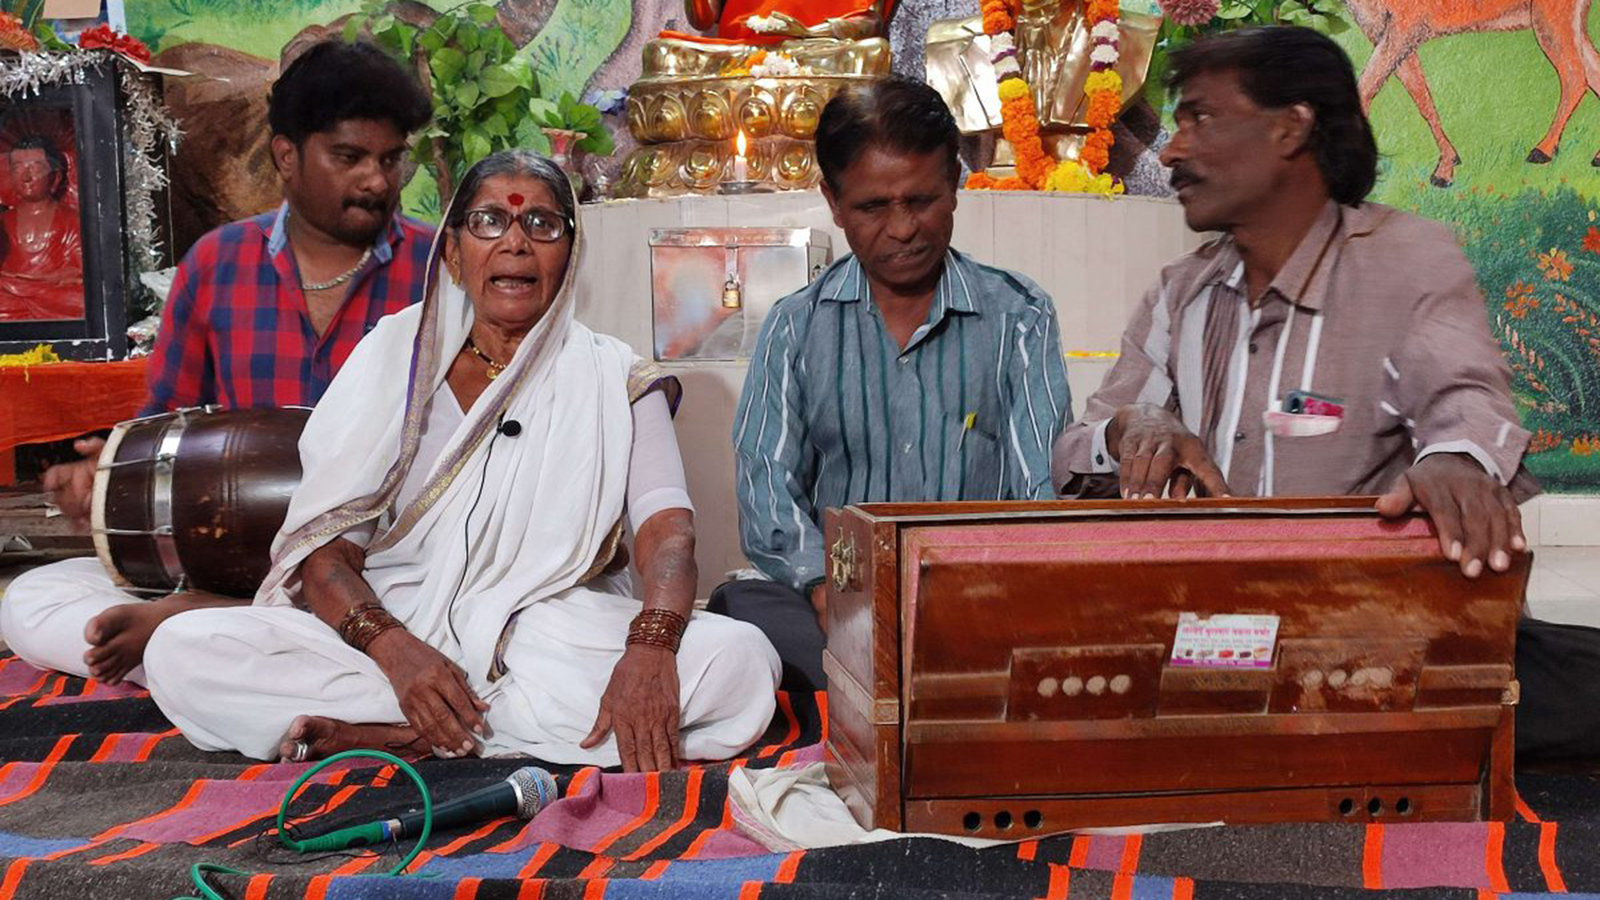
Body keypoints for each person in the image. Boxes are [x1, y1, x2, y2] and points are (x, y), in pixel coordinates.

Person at [1050, 25, 1591, 762]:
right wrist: (1127, 429)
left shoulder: (1405, 262)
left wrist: (1457, 464)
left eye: (1201, 118)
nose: (1171, 151)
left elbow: (1465, 401)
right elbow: (1073, 454)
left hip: (1374, 662)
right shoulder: (1181, 294)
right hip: (1213, 664)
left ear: (1289, 127)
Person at [142, 152, 781, 770]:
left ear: (570, 252)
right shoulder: (392, 359)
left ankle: (403, 732)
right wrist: (398, 654)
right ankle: (466, 720)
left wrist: (651, 646)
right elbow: (326, 553)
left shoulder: (613, 376)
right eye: (488, 222)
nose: (516, 243)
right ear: (452, 252)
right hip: (390, 629)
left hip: (545, 631)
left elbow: (667, 530)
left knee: (741, 664)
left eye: (542, 224)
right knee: (180, 651)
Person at [0, 39, 434, 688]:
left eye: (391, 158)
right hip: (235, 558)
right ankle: (233, 640)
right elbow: (163, 427)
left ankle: (218, 647)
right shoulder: (218, 266)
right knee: (30, 603)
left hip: (385, 569)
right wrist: (104, 477)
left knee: (451, 610)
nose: (377, 179)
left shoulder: (439, 271)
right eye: (350, 157)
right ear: (287, 156)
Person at [716, 76, 1073, 691]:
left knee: (1058, 629)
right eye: (874, 207)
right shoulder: (795, 327)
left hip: (975, 603)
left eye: (922, 200)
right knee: (743, 620)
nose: (904, 228)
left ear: (955, 185)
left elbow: (1037, 488)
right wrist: (828, 588)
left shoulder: (1019, 313)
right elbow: (767, 493)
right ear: (832, 202)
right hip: (832, 607)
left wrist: (982, 595)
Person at [0, 133, 84, 321]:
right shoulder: (3, 221)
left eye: (35, 168)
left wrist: (37, 283)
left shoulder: (73, 221)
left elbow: (81, 272)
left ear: (56, 176)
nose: (26, 177)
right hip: (9, 297)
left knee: (83, 301)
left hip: (53, 296)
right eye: (17, 168)